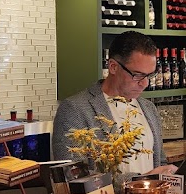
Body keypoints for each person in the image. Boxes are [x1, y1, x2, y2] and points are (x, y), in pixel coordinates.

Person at [52, 31, 176, 178]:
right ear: (113, 67)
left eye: (149, 75)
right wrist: (141, 180)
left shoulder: (149, 108)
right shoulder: (75, 109)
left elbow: (159, 162)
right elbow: (73, 176)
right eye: (137, 75)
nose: (145, 83)